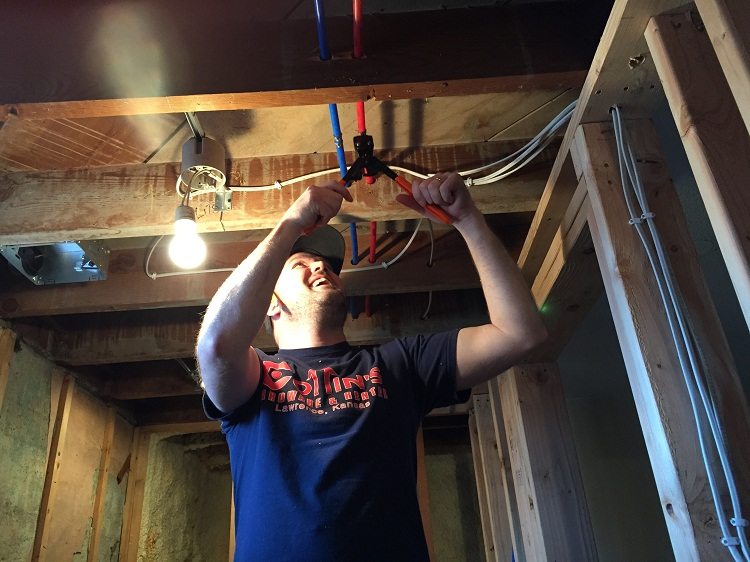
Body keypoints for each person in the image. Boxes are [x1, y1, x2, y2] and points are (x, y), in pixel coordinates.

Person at [196, 172, 547, 562]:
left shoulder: (400, 365)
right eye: (301, 263)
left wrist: (469, 221)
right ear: (271, 304)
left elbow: (519, 334)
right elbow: (215, 346)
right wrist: (290, 224)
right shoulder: (255, 376)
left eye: (325, 264)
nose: (320, 266)